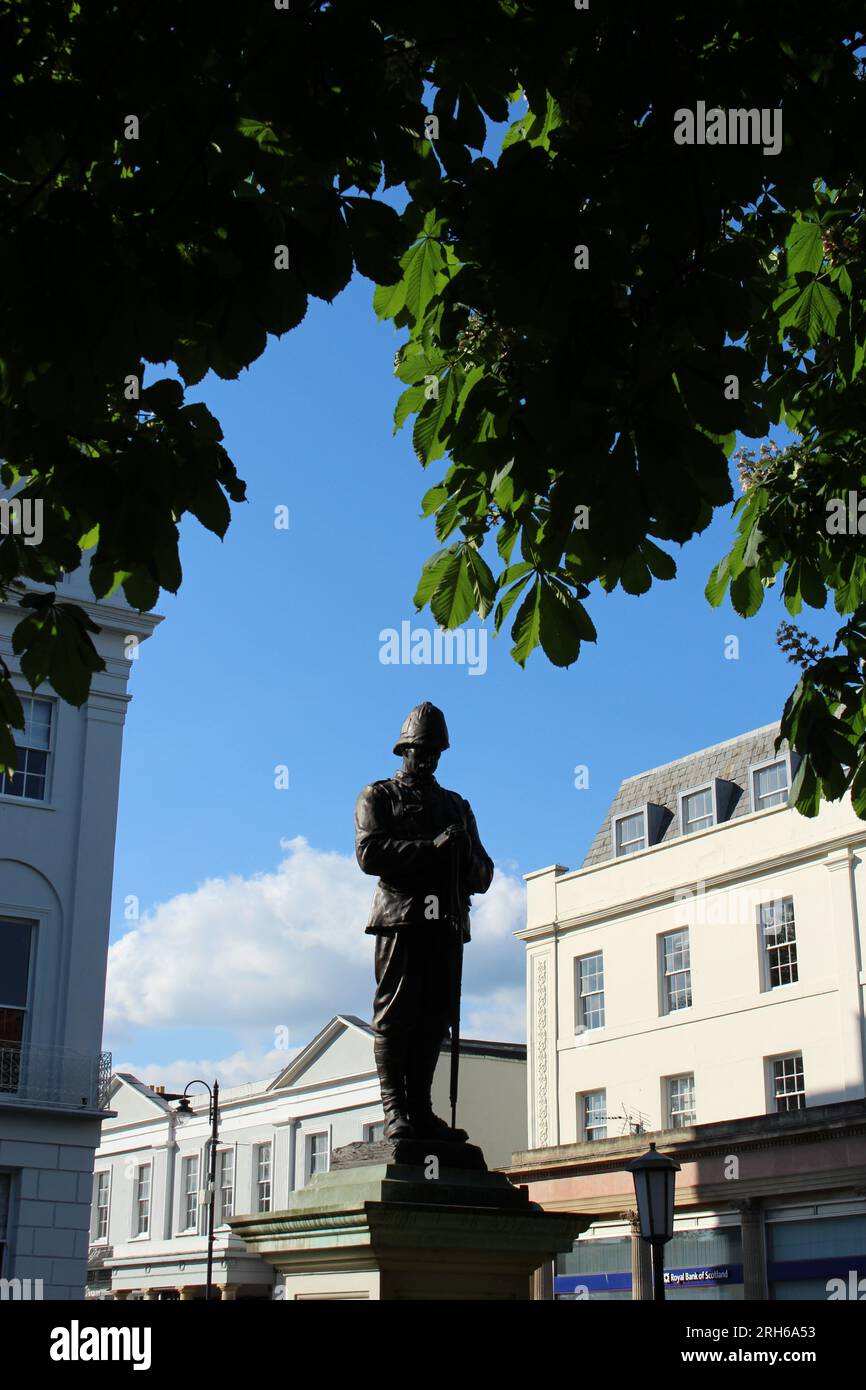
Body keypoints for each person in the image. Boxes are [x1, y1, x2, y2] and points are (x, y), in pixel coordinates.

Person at [354, 702, 494, 1141]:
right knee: (396, 1016)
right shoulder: (378, 796)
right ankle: (396, 1111)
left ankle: (421, 1109)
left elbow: (484, 874)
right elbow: (370, 854)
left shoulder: (456, 805)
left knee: (435, 1019)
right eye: (421, 749)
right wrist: (431, 849)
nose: (429, 757)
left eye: (436, 750)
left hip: (446, 923)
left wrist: (461, 856)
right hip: (402, 919)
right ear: (404, 749)